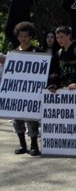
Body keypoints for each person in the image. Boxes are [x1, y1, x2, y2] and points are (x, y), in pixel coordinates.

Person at [48, 25, 76, 133]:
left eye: (62, 37)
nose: (59, 40)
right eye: (57, 37)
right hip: (65, 90)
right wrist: (53, 83)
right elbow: (54, 71)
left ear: (69, 36)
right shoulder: (59, 53)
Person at [10, 22, 41, 155]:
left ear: (30, 37)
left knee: (32, 119)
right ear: (17, 37)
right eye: (21, 36)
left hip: (32, 92)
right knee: (17, 119)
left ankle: (34, 144)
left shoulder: (37, 52)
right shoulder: (13, 53)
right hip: (17, 92)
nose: (23, 38)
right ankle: (22, 144)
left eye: (26, 36)